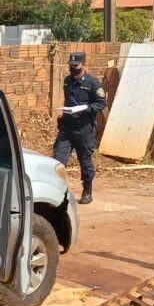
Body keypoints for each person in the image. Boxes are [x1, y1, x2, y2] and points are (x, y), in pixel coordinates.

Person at [53, 51, 107, 204]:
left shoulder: (93, 83)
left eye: (75, 66)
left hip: (84, 129)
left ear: (84, 65)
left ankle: (87, 191)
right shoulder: (67, 81)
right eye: (70, 66)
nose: (72, 68)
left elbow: (102, 103)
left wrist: (84, 108)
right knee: (58, 160)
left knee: (85, 161)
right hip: (67, 128)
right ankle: (58, 193)